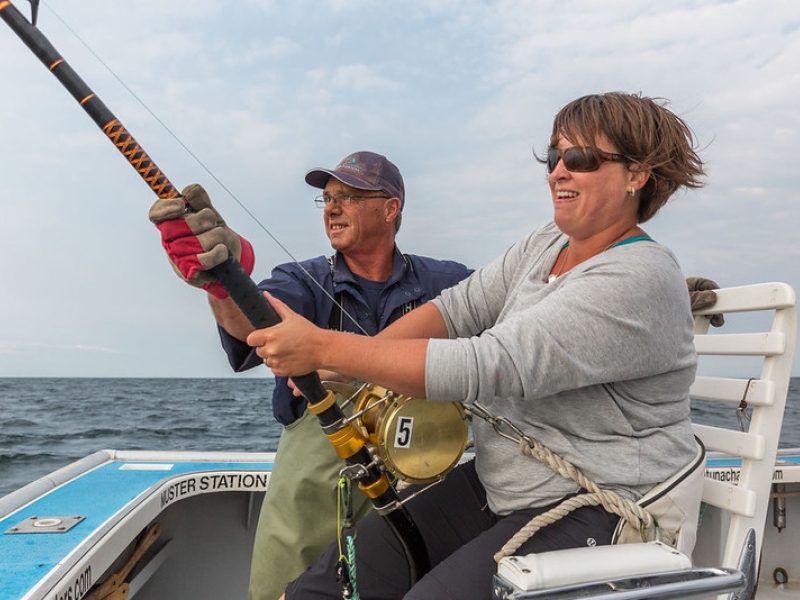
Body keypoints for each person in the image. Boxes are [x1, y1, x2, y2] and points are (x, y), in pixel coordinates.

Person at [247, 92, 709, 600]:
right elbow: (456, 310)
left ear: (637, 174)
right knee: (323, 587)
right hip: (499, 484)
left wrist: (325, 349)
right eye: (554, 157)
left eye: (580, 158)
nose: (558, 172)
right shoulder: (545, 245)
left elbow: (491, 363)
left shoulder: (640, 277)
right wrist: (352, 365)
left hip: (598, 503)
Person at [148, 151, 472, 600]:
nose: (332, 208)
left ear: (390, 208)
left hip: (419, 485)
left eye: (348, 197)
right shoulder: (301, 280)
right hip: (311, 496)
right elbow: (251, 324)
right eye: (328, 199)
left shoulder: (448, 283)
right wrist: (221, 283)